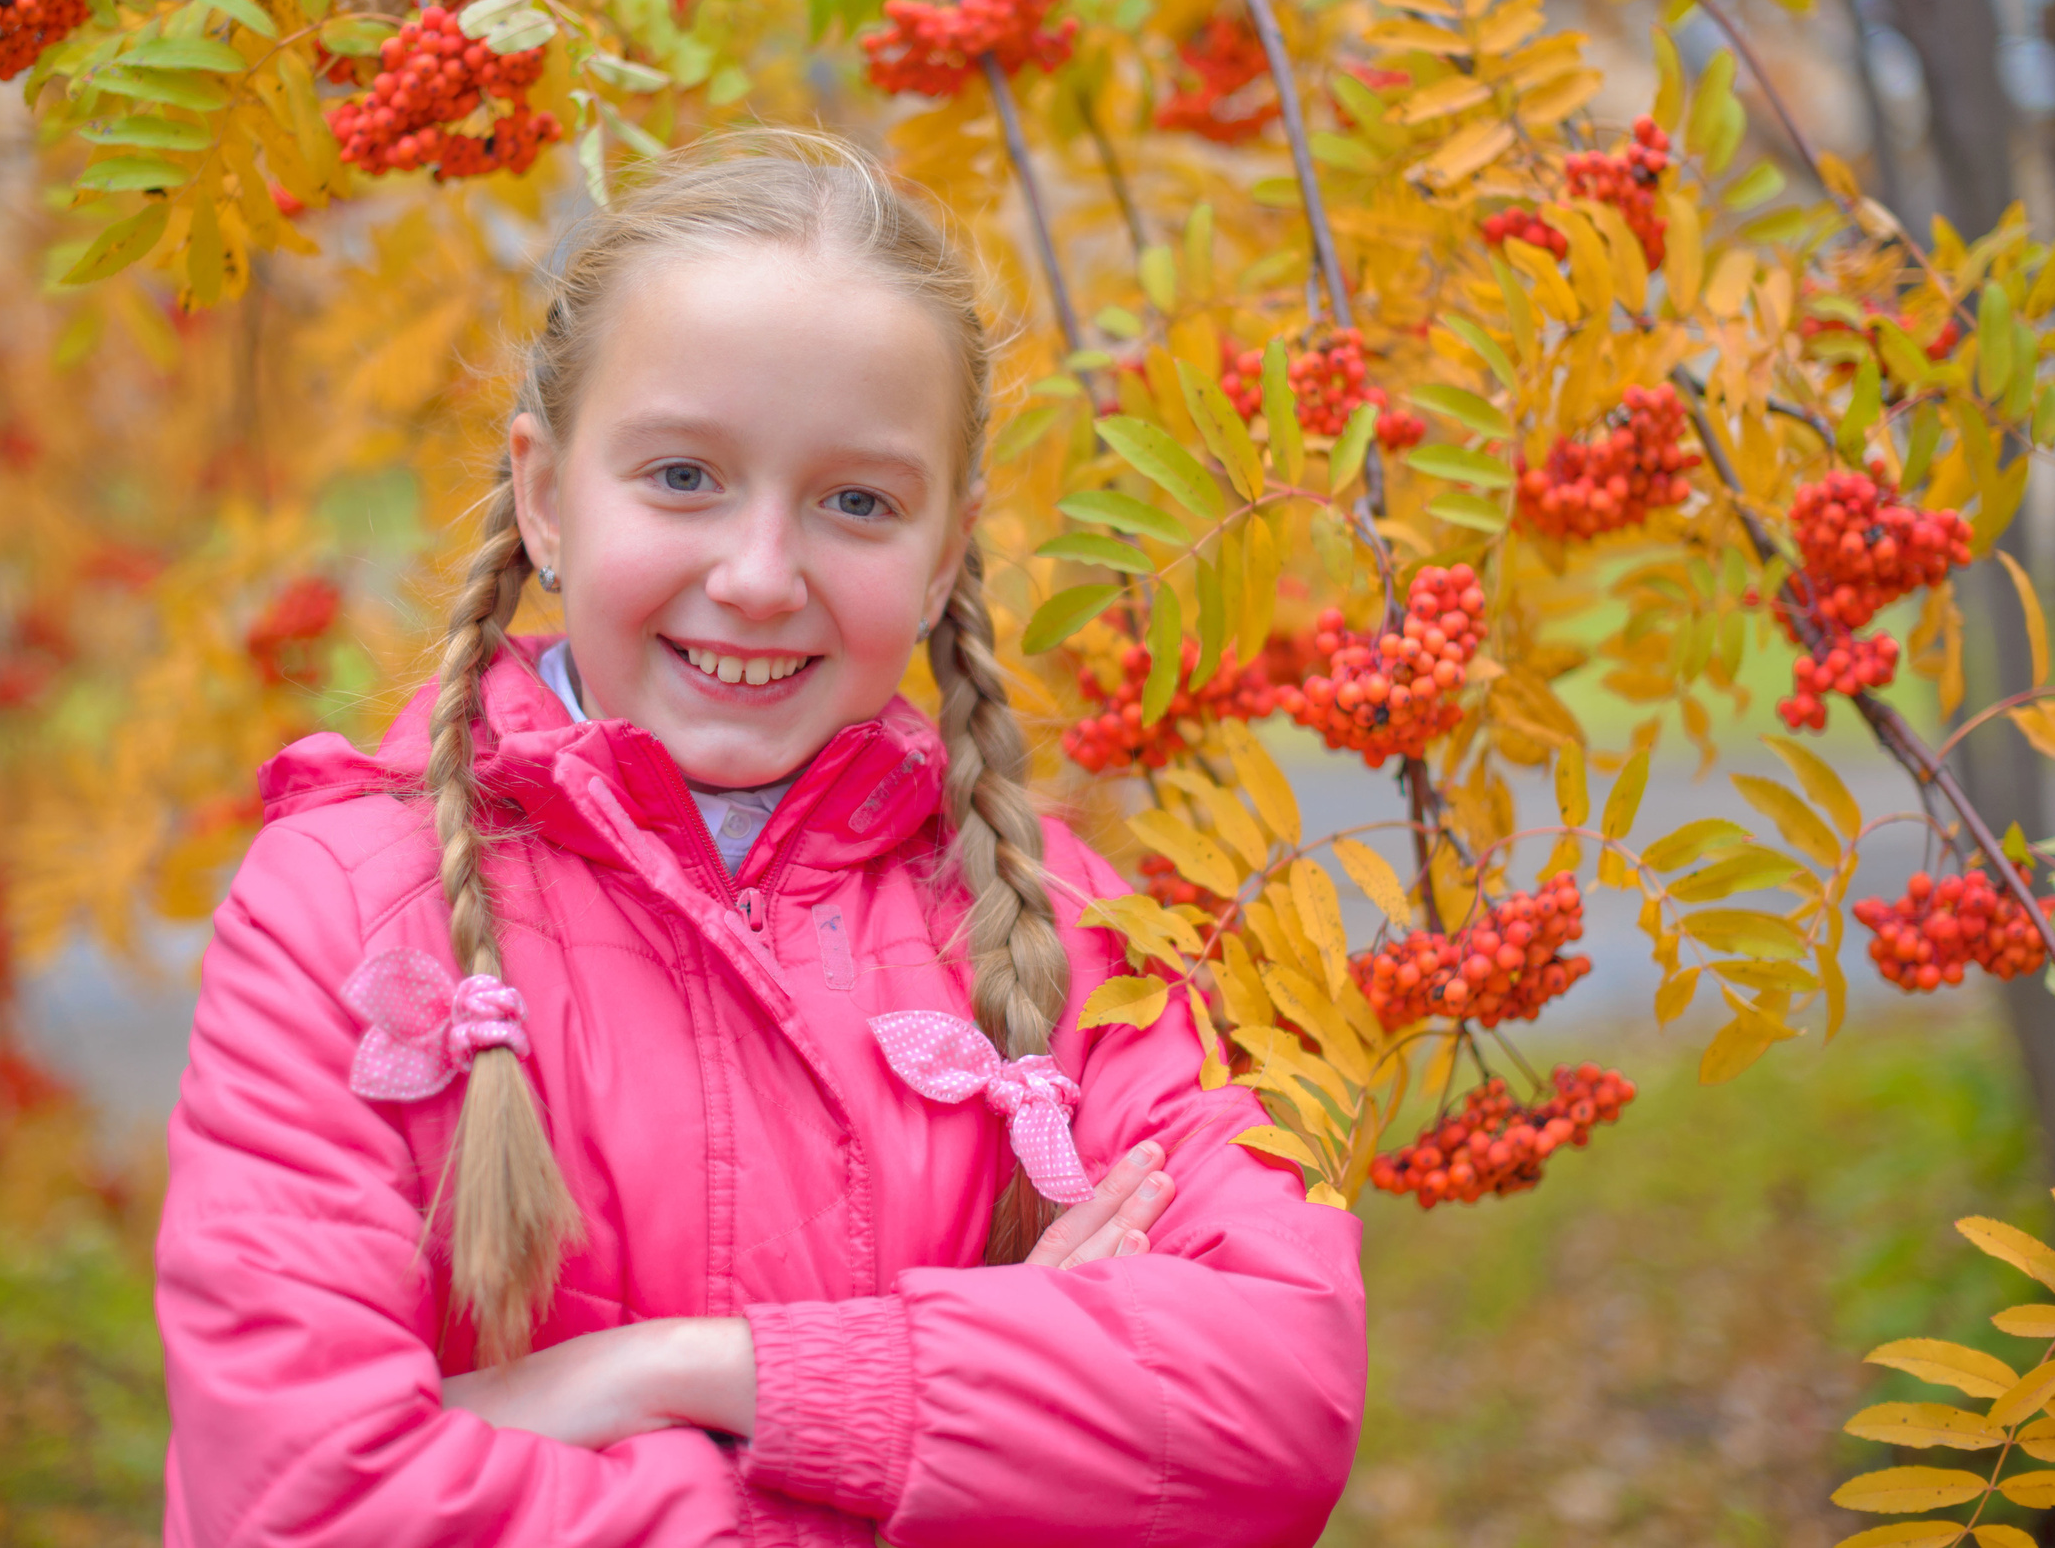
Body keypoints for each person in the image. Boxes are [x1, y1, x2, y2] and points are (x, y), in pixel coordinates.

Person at [154, 130, 1365, 1548]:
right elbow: (311, 1507)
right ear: (545, 493)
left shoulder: (1071, 930)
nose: (758, 574)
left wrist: (689, 1372)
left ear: (944, 552)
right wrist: (987, 1437)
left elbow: (1273, 1406)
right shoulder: (346, 914)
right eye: (683, 476)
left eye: (858, 502)